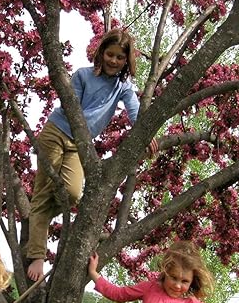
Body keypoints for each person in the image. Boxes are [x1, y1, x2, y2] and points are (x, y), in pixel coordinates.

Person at [26, 28, 159, 281]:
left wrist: (146, 132)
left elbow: (134, 111)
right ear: (101, 53)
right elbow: (72, 107)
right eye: (110, 54)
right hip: (56, 132)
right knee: (43, 192)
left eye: (120, 57)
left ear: (126, 60)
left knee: (72, 193)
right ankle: (37, 255)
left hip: (80, 145)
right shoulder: (82, 75)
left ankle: (37, 216)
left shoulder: (123, 86)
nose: (114, 61)